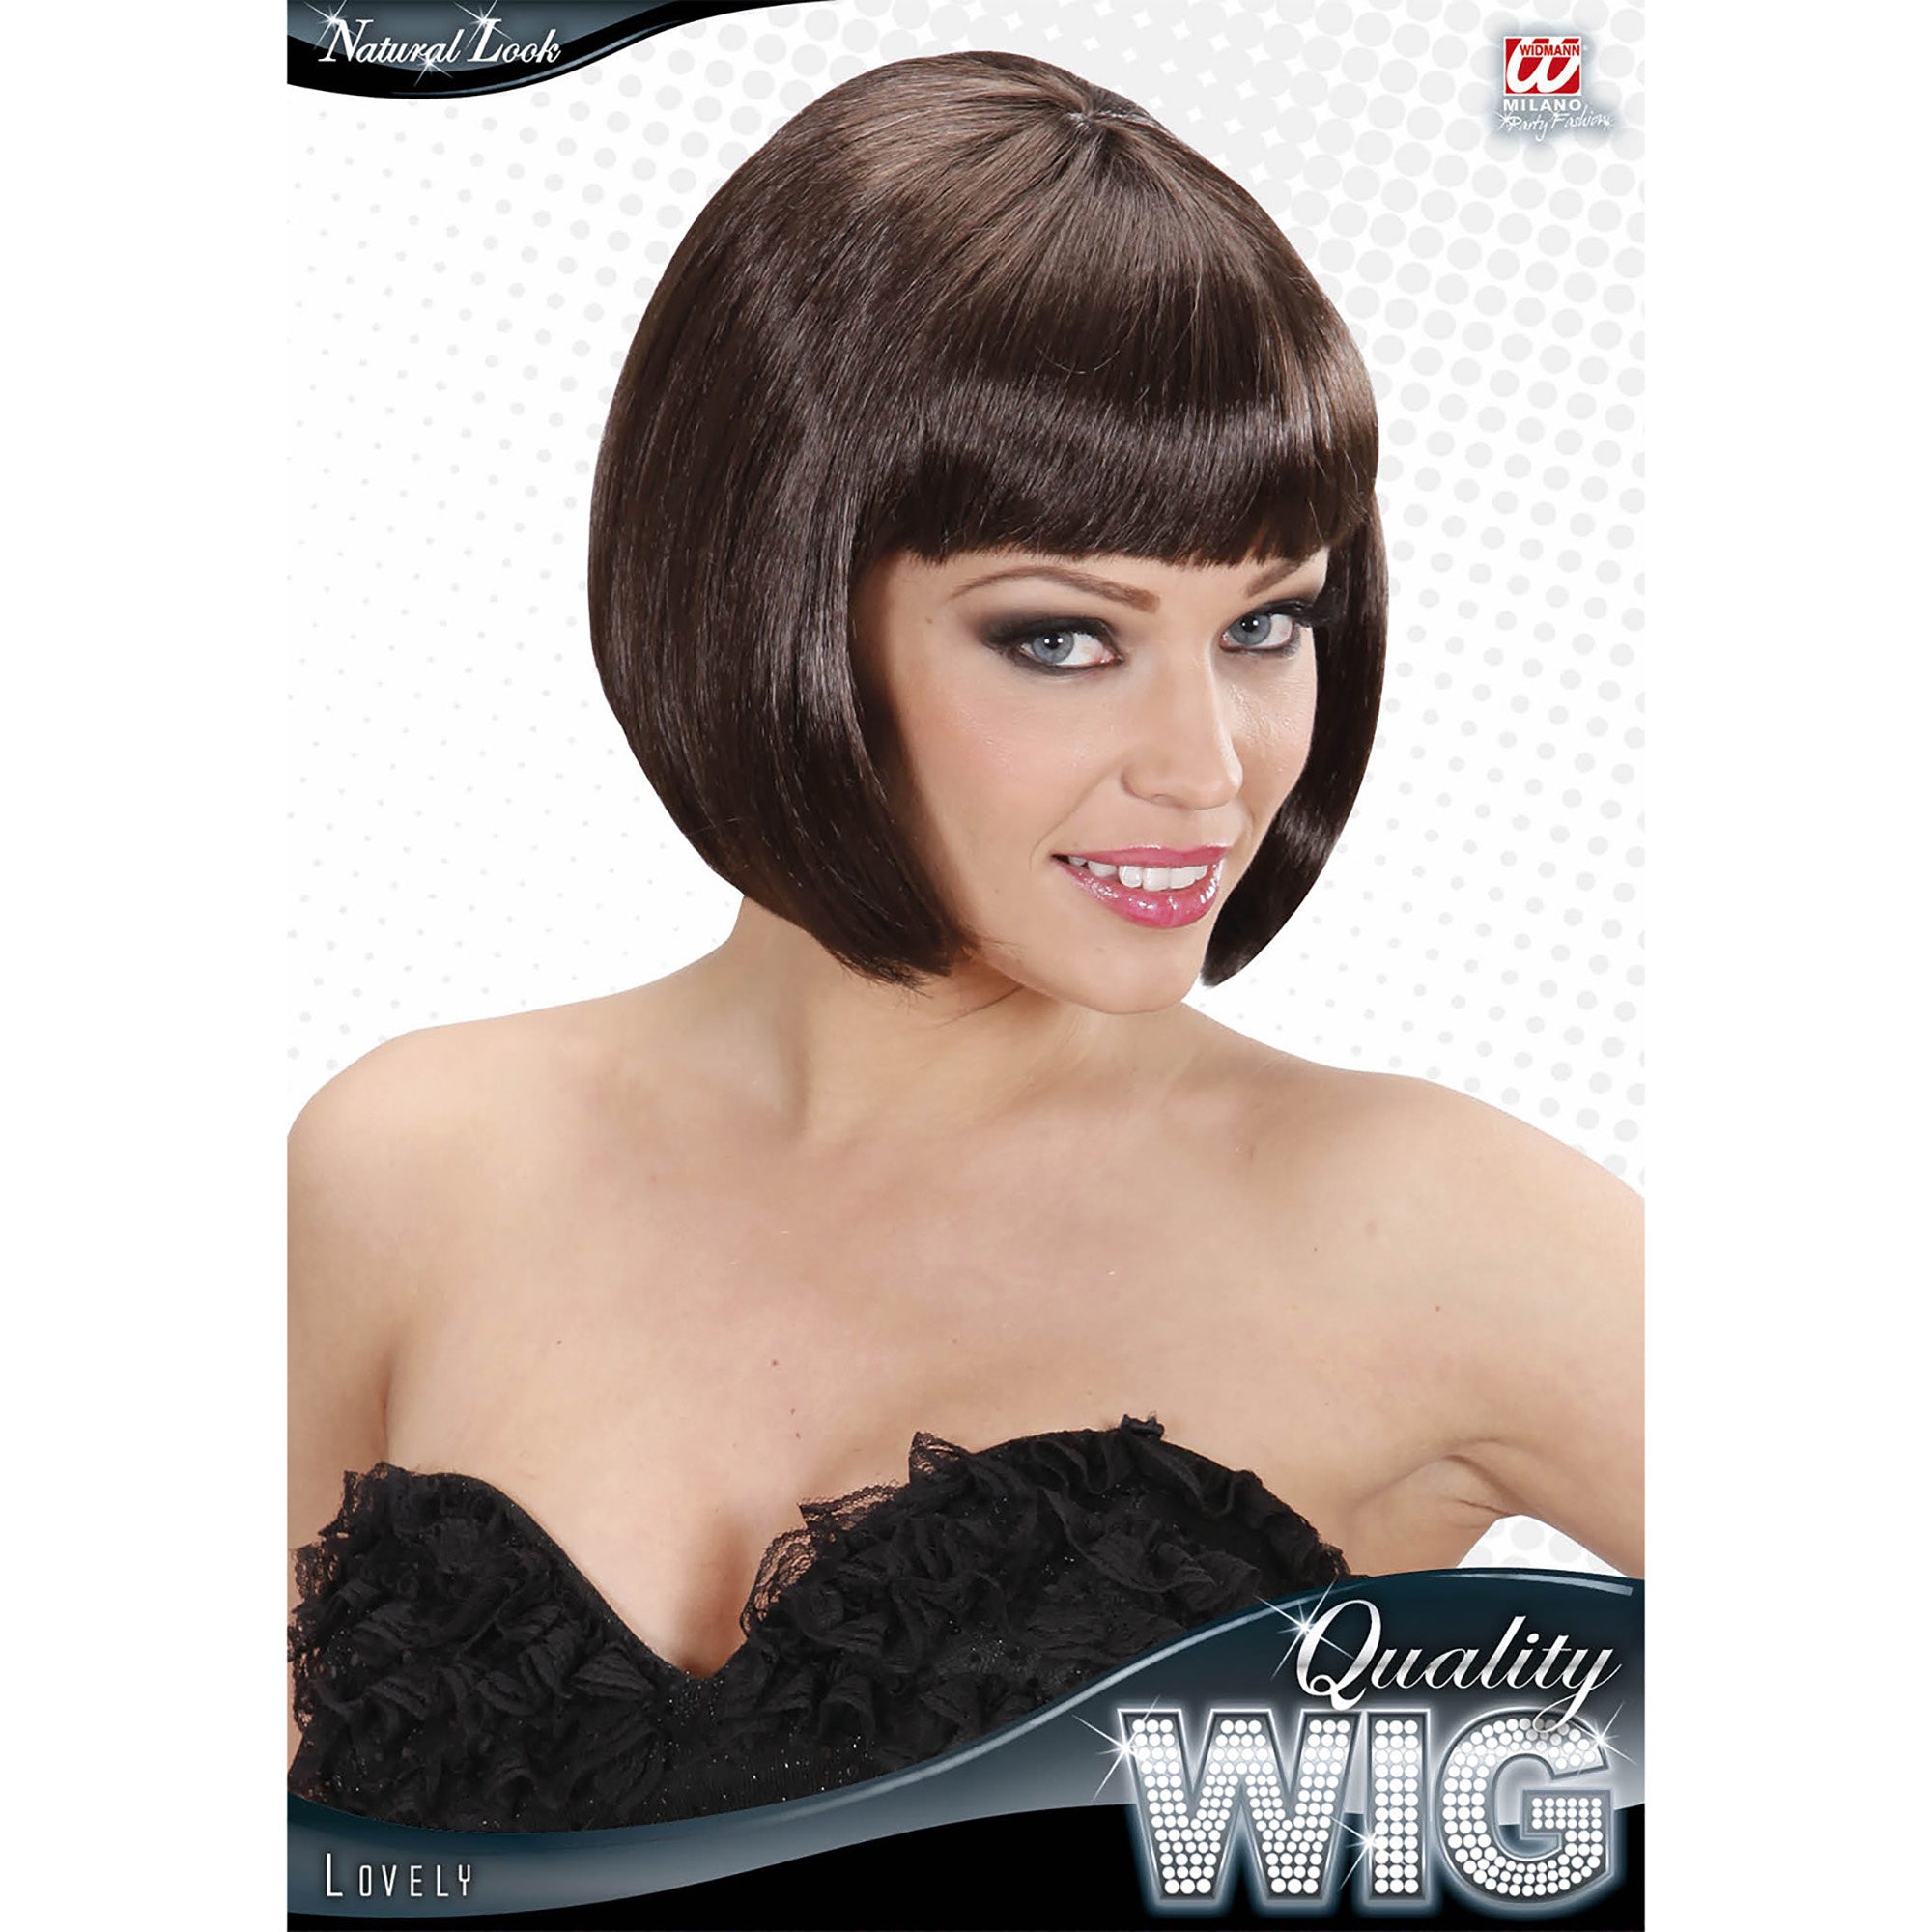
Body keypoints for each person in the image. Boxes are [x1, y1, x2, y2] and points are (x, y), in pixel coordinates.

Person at [287, 49, 1640, 1833]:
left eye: (1265, 625)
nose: (1208, 766)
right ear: (772, 595)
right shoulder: (409, 1168)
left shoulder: (1433, 1227)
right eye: (1065, 638)